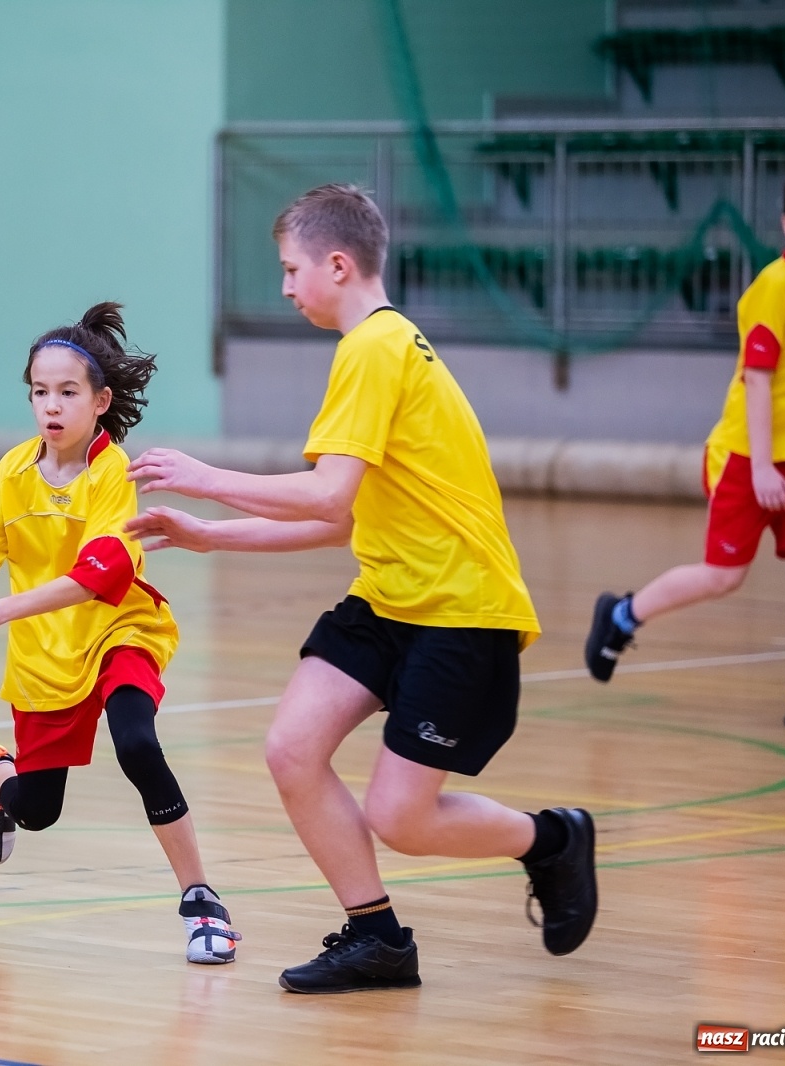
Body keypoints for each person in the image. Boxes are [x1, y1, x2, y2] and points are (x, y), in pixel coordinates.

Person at [124, 184, 597, 993]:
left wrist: (205, 479)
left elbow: (325, 497)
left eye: (290, 269)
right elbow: (342, 523)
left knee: (400, 817)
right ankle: (376, 937)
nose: (284, 286)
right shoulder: (381, 348)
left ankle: (550, 839)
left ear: (337, 265)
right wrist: (209, 536)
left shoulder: (375, 348)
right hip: (390, 596)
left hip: (462, 610)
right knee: (292, 749)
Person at [0, 302, 240, 965]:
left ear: (101, 401)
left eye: (68, 392)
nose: (52, 405)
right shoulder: (12, 474)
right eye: (40, 391)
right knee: (38, 812)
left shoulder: (112, 474)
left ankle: (201, 901)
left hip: (117, 630)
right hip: (44, 659)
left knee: (136, 742)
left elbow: (93, 580)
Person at [586, 170, 785, 731]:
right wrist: (760, 466)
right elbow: (757, 379)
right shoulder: (772, 288)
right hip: (744, 455)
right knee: (723, 575)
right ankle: (621, 615)